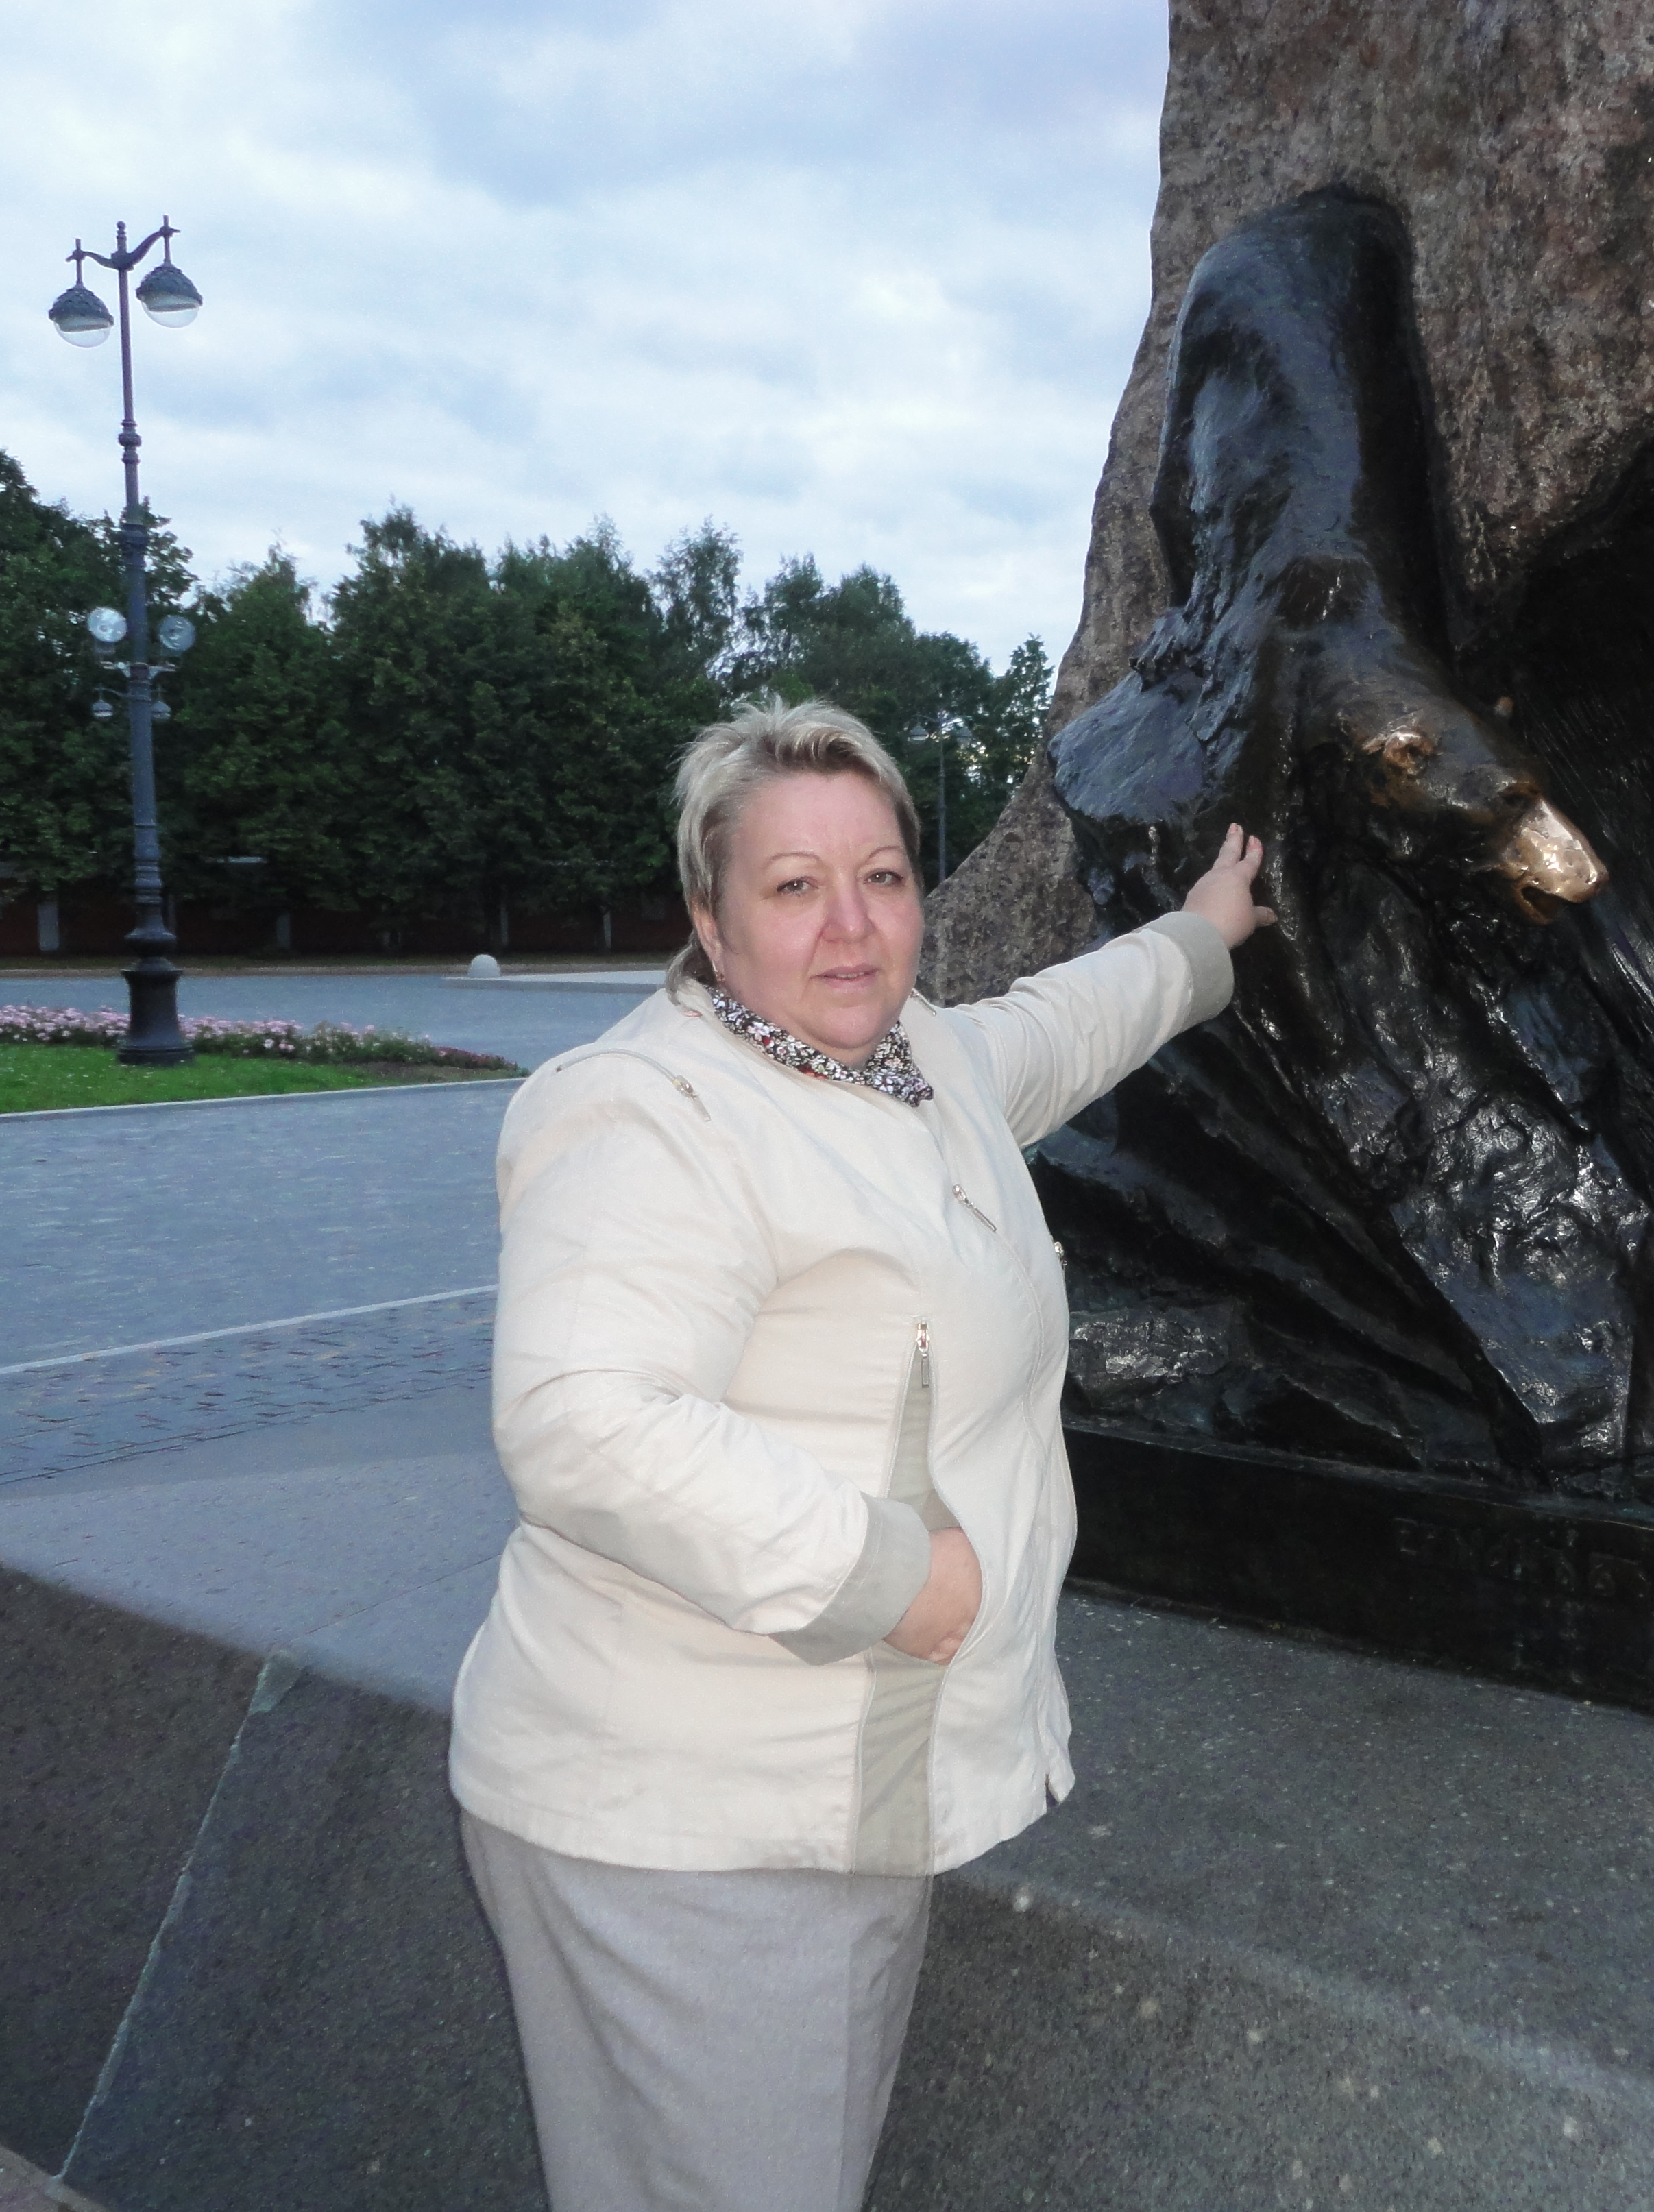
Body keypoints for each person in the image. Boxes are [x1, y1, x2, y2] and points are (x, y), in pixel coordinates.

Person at [447, 695, 1272, 2212]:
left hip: (819, 1789)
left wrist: (1203, 935)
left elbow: (1060, 1026)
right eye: (793, 885)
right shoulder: (653, 1112)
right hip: (704, 1829)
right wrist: (895, 1575)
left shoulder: (918, 1061)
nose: (850, 925)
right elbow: (583, 1415)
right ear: (710, 919)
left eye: (882, 876)